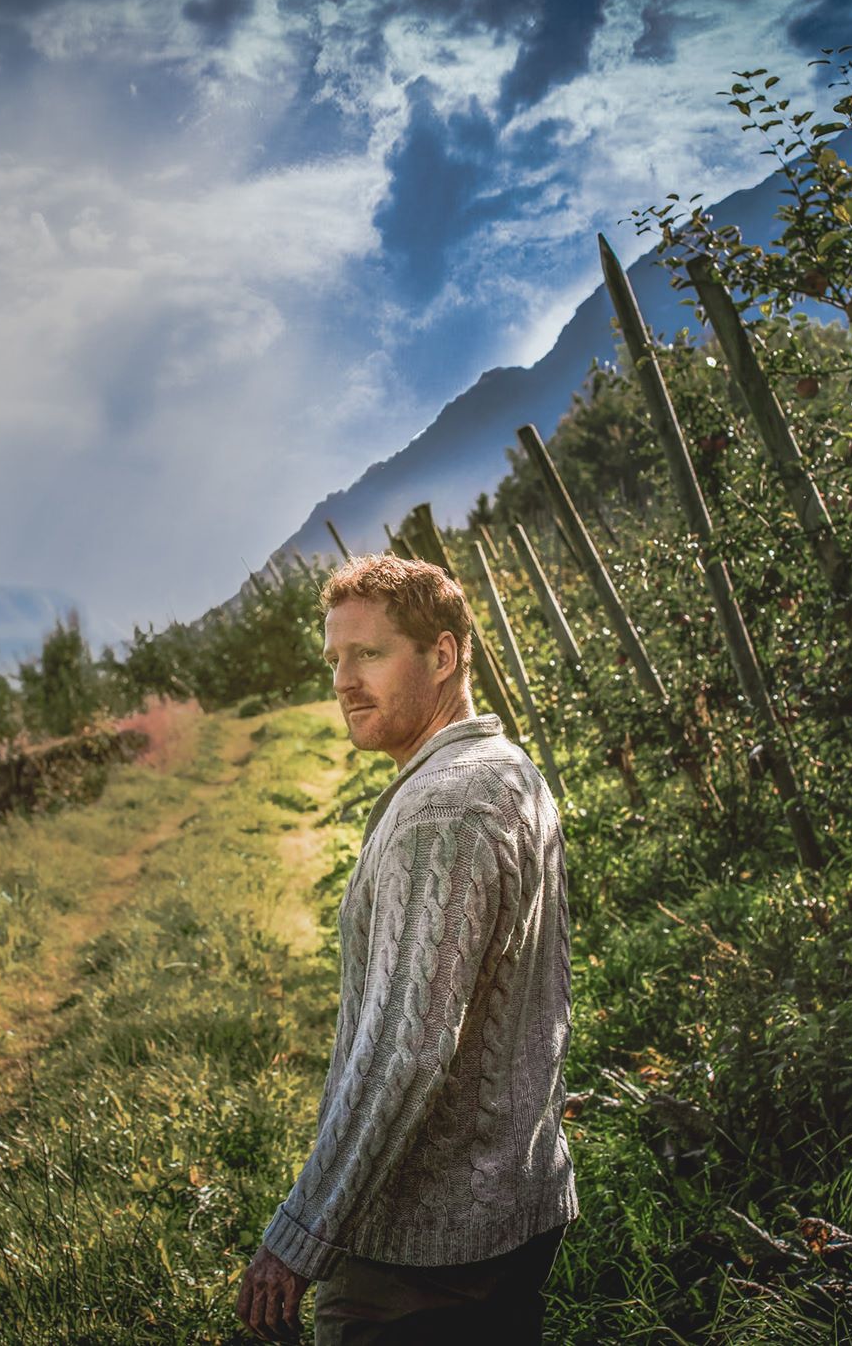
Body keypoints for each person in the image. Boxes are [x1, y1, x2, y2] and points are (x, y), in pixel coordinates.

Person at [236, 553, 579, 1345]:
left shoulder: (442, 813)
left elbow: (406, 1048)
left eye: (370, 653)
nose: (344, 681)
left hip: (426, 1249)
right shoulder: (507, 769)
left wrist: (300, 1232)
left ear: (444, 654)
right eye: (335, 659)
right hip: (511, 1208)